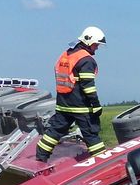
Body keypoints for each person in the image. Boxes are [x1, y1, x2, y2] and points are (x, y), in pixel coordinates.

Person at [35, 26, 107, 163]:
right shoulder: (86, 60)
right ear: (89, 41)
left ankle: (40, 157)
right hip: (80, 106)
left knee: (54, 132)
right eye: (96, 44)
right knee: (91, 135)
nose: (97, 48)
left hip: (63, 104)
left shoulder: (67, 54)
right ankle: (103, 163)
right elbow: (88, 87)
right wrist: (96, 105)